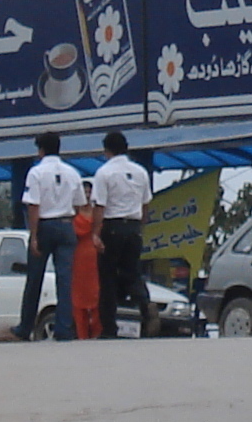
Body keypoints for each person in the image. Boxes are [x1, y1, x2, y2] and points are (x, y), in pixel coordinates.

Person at [14, 132, 85, 342]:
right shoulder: (72, 173)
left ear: (41, 150)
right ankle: (64, 328)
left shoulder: (36, 173)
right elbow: (80, 204)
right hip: (66, 224)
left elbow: (33, 205)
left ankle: (25, 327)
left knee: (34, 278)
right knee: (65, 280)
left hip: (45, 225)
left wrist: (33, 235)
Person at [90, 130, 151, 339]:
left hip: (112, 227)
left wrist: (96, 234)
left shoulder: (104, 173)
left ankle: (109, 328)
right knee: (133, 273)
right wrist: (138, 228)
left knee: (107, 278)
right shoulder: (141, 172)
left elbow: (99, 206)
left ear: (107, 150)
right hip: (133, 228)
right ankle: (145, 305)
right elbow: (145, 204)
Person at [70, 196, 103, 345]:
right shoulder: (73, 213)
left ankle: (97, 329)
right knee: (79, 294)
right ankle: (81, 332)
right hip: (79, 256)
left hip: (94, 254)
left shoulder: (98, 211)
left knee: (96, 292)